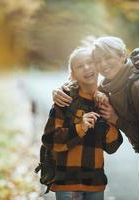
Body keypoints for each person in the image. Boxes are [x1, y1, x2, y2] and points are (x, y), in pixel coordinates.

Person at [52, 36, 139, 200]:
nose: (103, 64)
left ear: (122, 56)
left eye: (108, 57)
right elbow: (85, 89)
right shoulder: (111, 85)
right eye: (98, 60)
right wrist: (60, 91)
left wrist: (116, 119)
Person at [42, 46, 122, 200]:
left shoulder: (106, 100)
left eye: (90, 62)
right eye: (79, 66)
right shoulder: (65, 98)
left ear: (97, 66)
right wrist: (80, 127)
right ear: (73, 74)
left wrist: (106, 122)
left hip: (96, 183)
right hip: (67, 184)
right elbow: (50, 139)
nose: (86, 68)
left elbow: (113, 146)